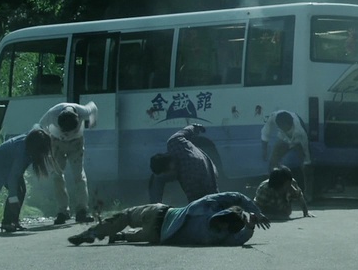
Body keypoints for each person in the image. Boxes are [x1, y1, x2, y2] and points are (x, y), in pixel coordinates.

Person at [67, 192, 270, 246]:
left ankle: (92, 233)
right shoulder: (219, 237)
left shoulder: (205, 205)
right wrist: (249, 227)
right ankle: (121, 237)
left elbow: (237, 196)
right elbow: (237, 240)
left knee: (125, 216)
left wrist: (255, 211)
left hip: (159, 214)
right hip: (159, 237)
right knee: (139, 237)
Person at [37, 101, 98, 224]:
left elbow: (93, 107)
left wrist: (93, 121)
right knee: (57, 176)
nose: (67, 134)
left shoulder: (82, 111)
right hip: (56, 143)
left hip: (76, 144)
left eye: (70, 131)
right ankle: (63, 211)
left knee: (79, 176)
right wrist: (46, 138)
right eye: (64, 130)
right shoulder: (52, 113)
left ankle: (82, 210)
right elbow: (39, 126)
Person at [0, 129, 55, 232]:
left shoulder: (29, 145)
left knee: (22, 190)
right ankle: (7, 222)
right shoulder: (21, 152)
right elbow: (13, 178)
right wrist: (13, 198)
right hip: (0, 165)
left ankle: (14, 220)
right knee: (16, 192)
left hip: (8, 164)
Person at [149, 124, 219, 203]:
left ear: (170, 166)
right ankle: (155, 204)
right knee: (157, 178)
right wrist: (197, 127)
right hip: (199, 162)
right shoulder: (174, 142)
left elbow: (195, 200)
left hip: (208, 171)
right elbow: (187, 130)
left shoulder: (189, 179)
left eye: (167, 172)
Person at [261, 110, 312, 196]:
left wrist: (306, 162)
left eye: (286, 128)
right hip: (283, 139)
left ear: (290, 125)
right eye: (282, 127)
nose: (284, 129)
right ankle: (273, 189)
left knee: (306, 168)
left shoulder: (300, 132)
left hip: (297, 142)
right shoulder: (273, 117)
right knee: (272, 163)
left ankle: (308, 194)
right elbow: (265, 133)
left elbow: (306, 150)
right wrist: (264, 150)